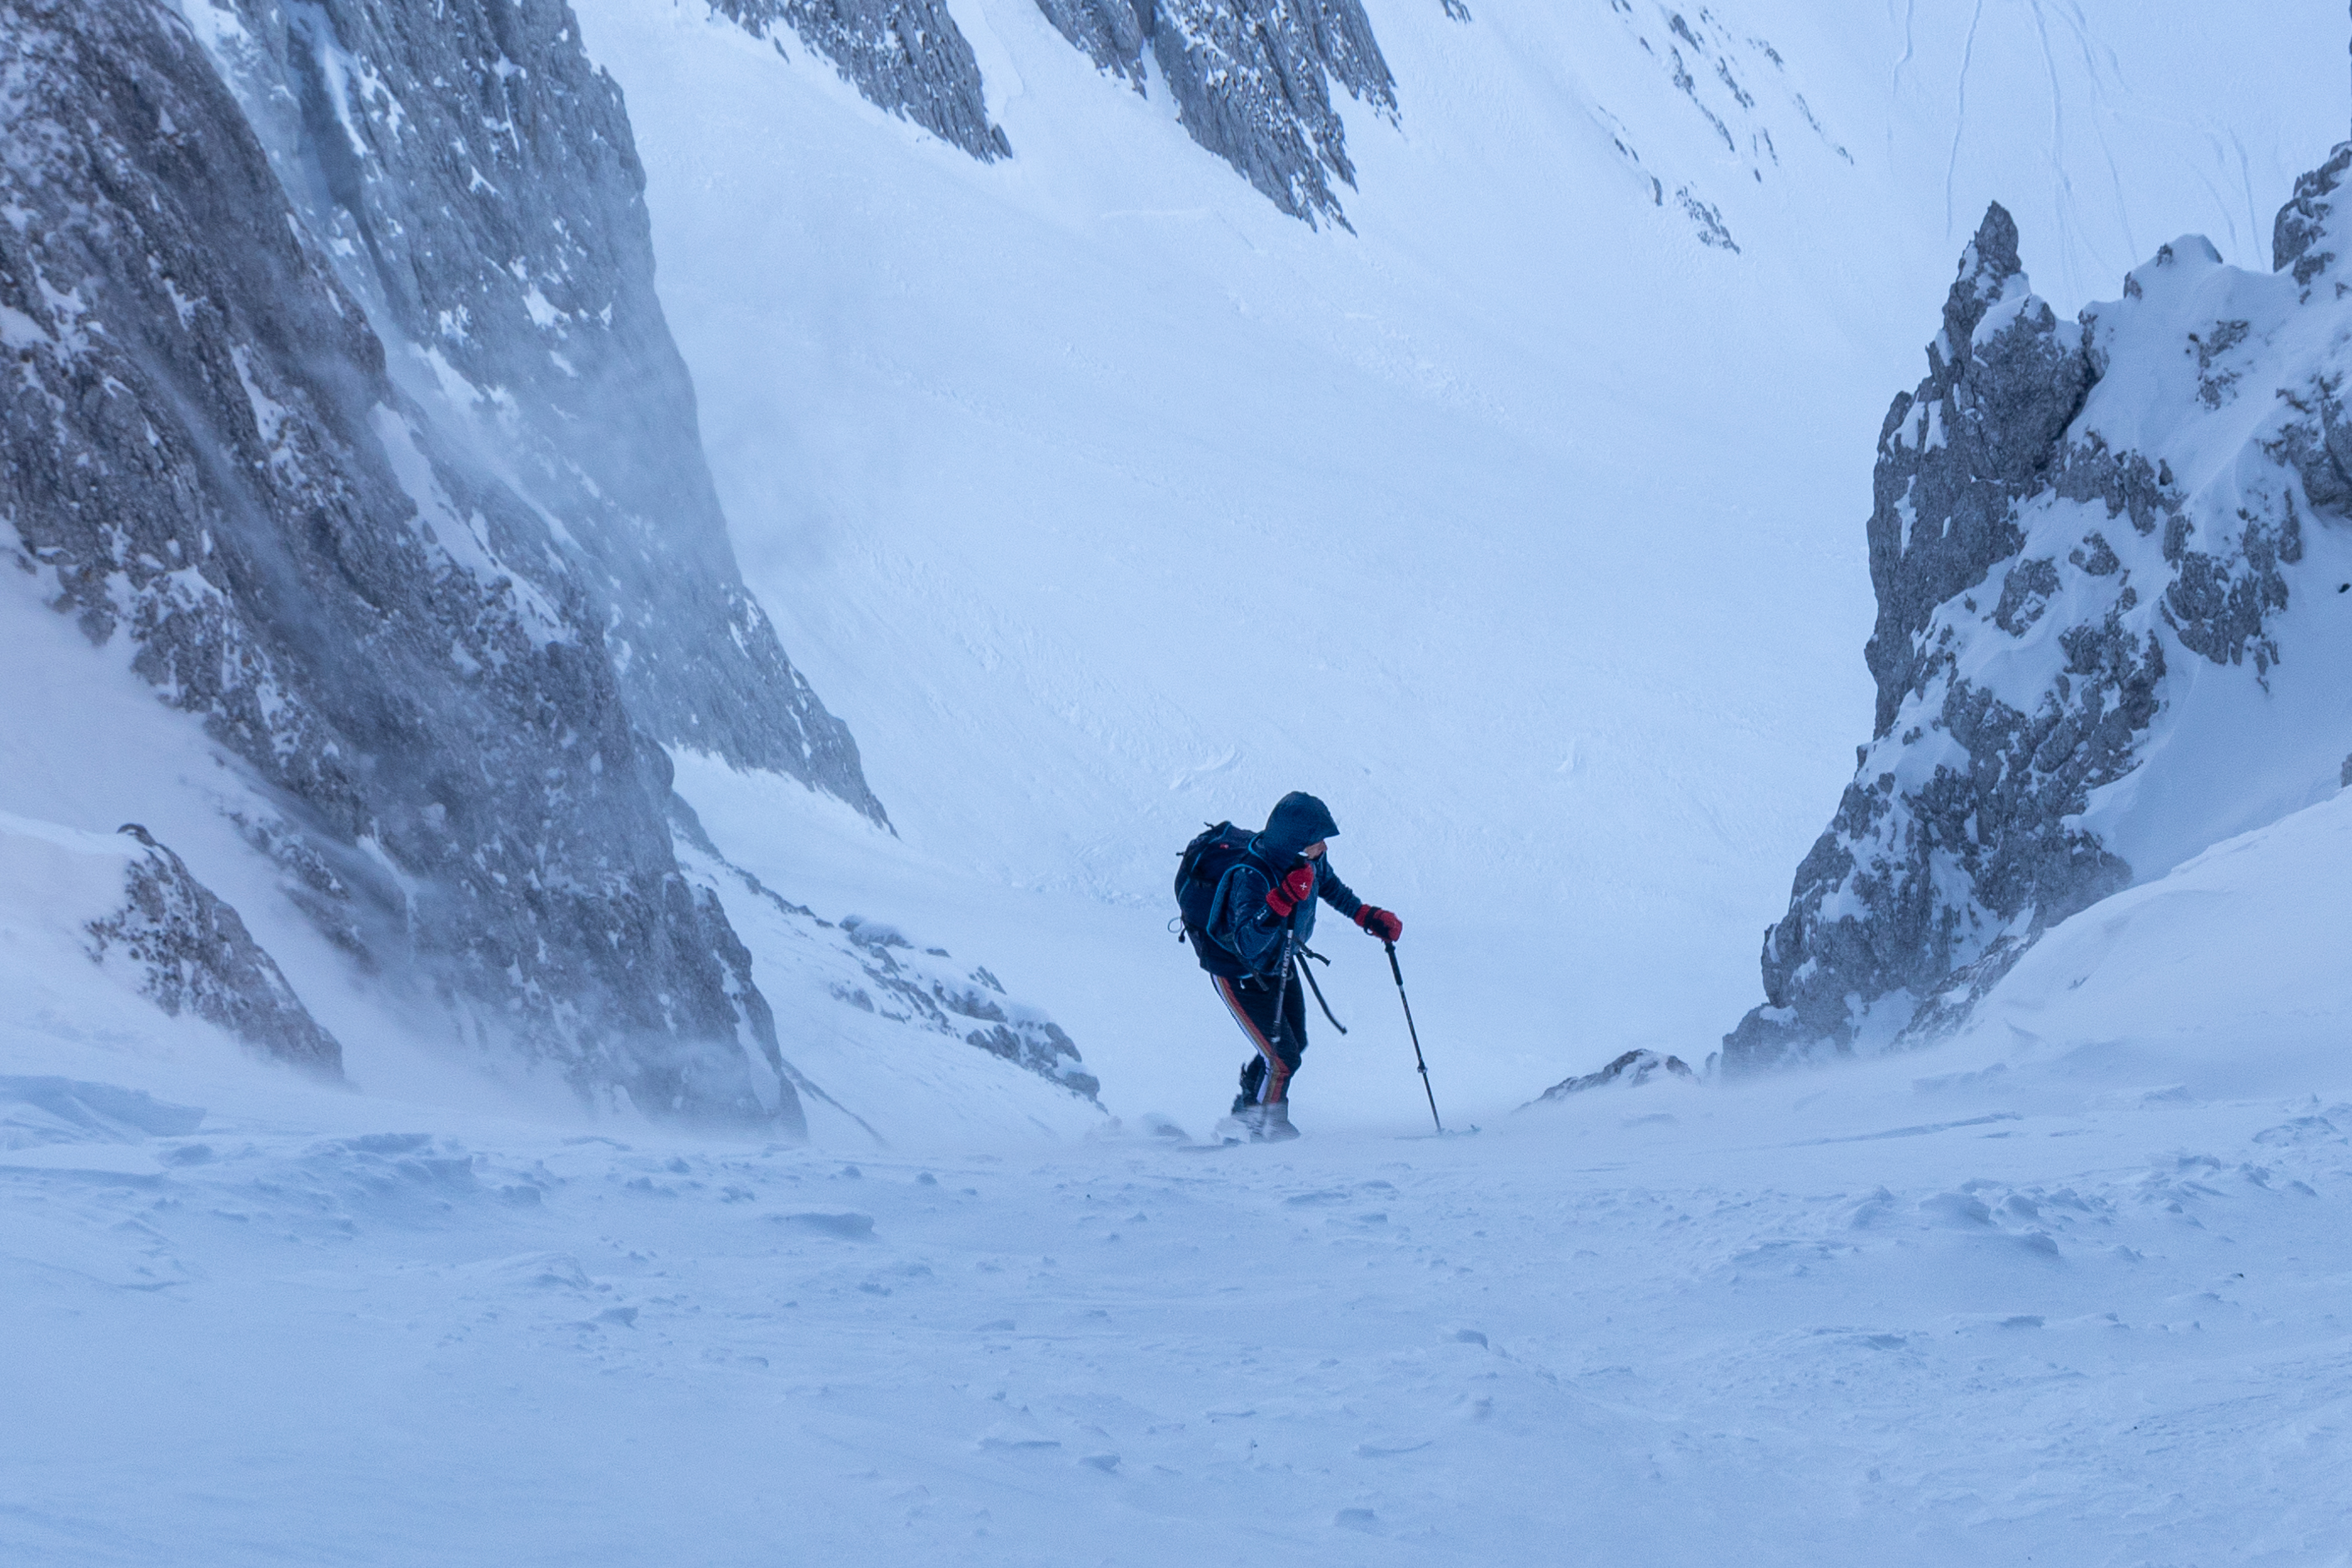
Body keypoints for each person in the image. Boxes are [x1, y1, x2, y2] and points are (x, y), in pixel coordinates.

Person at [1193, 791, 1402, 1141]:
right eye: (1316, 840)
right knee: (1283, 1058)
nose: (1322, 847)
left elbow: (1329, 887)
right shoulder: (1252, 874)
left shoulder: (1307, 862)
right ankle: (1267, 1131)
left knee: (1295, 1044)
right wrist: (1281, 902)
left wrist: (1366, 916)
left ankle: (1250, 1109)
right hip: (1239, 974)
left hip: (1279, 963)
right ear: (1294, 843)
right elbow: (1246, 942)